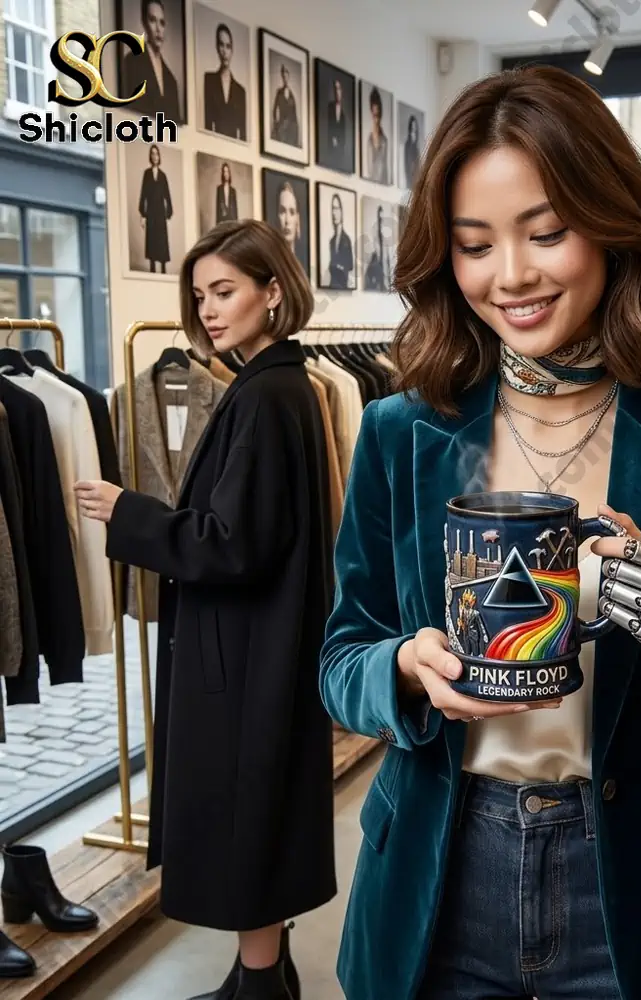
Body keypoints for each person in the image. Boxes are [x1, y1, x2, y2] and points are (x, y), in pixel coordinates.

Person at [319, 65, 641, 1000]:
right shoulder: (402, 431)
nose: (512, 276)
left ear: (610, 227)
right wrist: (405, 669)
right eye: (474, 244)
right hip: (442, 871)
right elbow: (340, 659)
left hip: (632, 877)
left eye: (547, 232)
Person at [74, 220, 335, 1000]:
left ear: (273, 291)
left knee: (245, 815)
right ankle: (264, 973)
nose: (209, 311)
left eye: (225, 291)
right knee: (260, 808)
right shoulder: (279, 387)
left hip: (246, 651)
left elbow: (232, 544)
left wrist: (131, 513)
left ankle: (258, 988)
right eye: (200, 295)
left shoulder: (266, 396)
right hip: (261, 645)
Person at [122, 0, 181, 122]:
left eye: (162, 22)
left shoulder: (172, 81)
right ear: (144, 23)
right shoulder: (131, 62)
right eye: (153, 20)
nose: (158, 29)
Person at [203, 22, 247, 141]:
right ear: (217, 48)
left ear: (232, 50)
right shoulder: (208, 80)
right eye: (221, 45)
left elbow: (243, 134)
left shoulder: (240, 91)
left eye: (228, 46)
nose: (224, 51)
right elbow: (207, 123)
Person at [138, 144, 172, 273]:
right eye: (152, 154)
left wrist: (168, 213)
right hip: (151, 212)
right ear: (150, 157)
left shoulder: (163, 176)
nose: (155, 156)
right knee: (152, 240)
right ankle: (152, 268)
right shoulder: (147, 174)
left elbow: (167, 195)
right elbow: (143, 194)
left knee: (161, 240)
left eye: (156, 154)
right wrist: (143, 214)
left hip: (160, 213)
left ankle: (163, 269)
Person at [325, 192, 353, 289]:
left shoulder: (346, 240)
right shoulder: (332, 241)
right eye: (332, 209)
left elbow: (350, 265)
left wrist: (337, 266)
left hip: (342, 285)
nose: (334, 213)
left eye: (336, 209)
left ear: (341, 212)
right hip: (332, 285)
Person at [364, 86, 389, 184]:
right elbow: (369, 170)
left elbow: (385, 168)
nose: (376, 119)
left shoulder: (385, 140)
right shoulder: (368, 140)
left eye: (378, 115)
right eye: (374, 115)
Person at [271, 65, 299, 146]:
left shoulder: (292, 95)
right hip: (281, 126)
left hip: (290, 128)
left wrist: (295, 128)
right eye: (283, 77)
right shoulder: (279, 92)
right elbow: (274, 109)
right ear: (282, 78)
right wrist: (276, 123)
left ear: (288, 77)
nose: (285, 78)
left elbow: (294, 113)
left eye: (286, 76)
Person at [215, 161, 238, 225]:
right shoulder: (219, 189)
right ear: (222, 173)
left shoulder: (233, 190)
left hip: (232, 220)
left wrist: (237, 225)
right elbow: (217, 209)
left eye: (227, 171)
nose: (226, 174)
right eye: (224, 171)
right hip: (222, 220)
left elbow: (235, 210)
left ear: (229, 173)